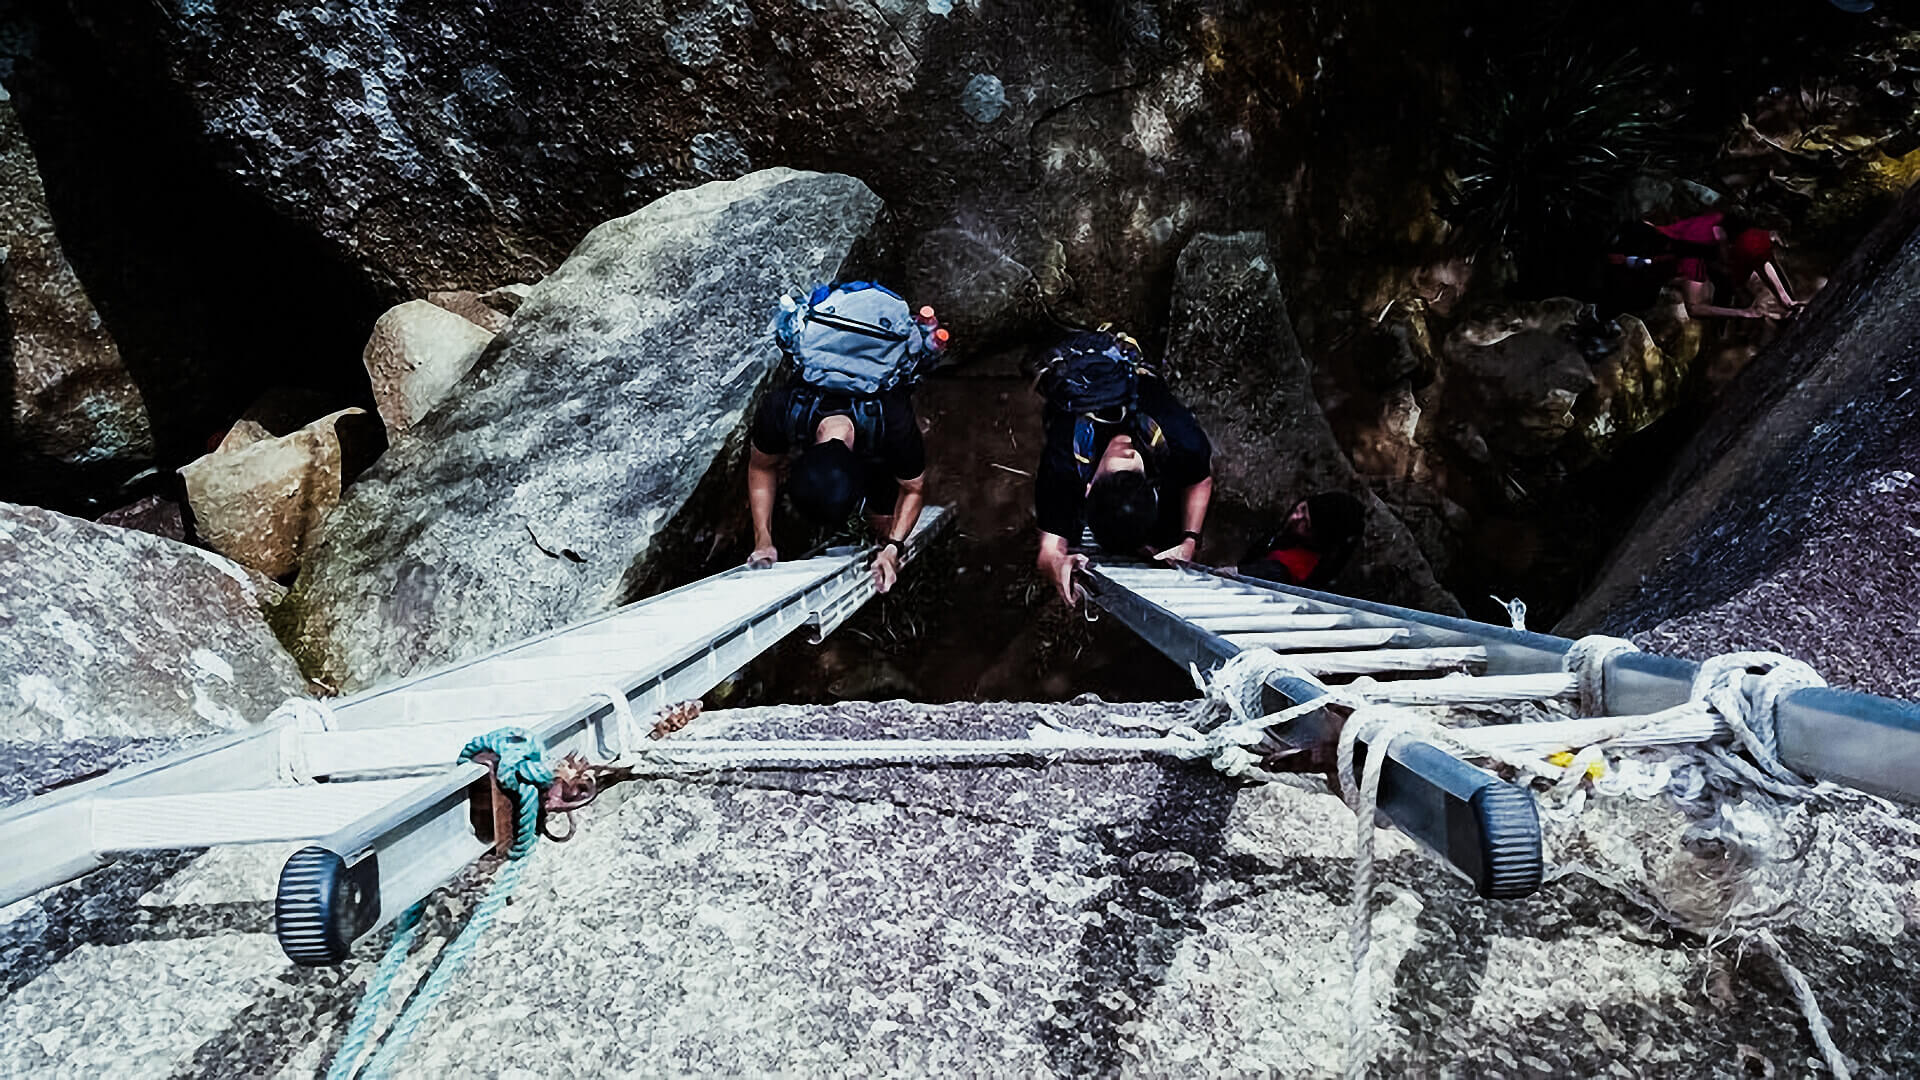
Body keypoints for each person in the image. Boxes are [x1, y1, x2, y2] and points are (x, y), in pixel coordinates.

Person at [746, 281, 942, 593]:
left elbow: (913, 487)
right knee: (887, 507)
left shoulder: (893, 420)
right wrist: (763, 541)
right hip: (846, 348)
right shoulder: (779, 409)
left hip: (880, 395)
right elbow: (761, 467)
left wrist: (893, 546)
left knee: (885, 510)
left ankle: (881, 528)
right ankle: (881, 532)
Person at [1031, 328, 1214, 606]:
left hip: (1121, 381)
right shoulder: (1065, 458)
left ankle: (1153, 539)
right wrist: (1056, 564)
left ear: (1089, 486)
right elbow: (1200, 479)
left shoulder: (1179, 440)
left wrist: (1188, 541)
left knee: (1166, 527)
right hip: (1089, 385)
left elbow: (1200, 480)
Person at [1649, 211, 1802, 322]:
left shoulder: (1722, 222)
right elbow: (1694, 309)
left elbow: (1760, 260)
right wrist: (1745, 313)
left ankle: (1780, 306)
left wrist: (1785, 299)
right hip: (1664, 262)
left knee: (1746, 270)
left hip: (1691, 245)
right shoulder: (1691, 260)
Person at [1237, 492, 1366, 587]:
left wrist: (1236, 572)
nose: (1295, 517)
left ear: (1317, 539)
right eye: (1303, 509)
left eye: (1305, 524)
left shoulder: (1296, 566)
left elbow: (1261, 573)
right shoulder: (1292, 535)